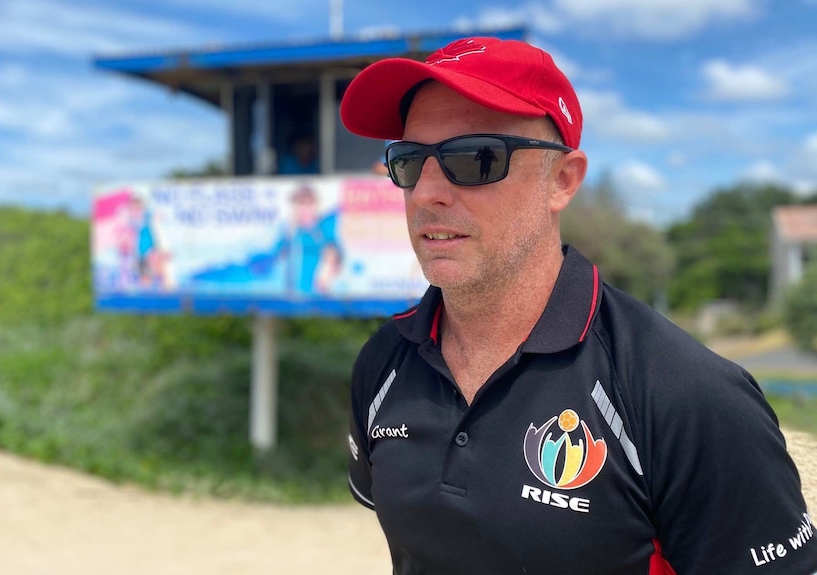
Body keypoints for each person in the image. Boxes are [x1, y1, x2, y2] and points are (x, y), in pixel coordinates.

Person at [339, 36, 817, 575]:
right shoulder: (383, 364)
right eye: (408, 161)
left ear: (562, 181)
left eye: (473, 159)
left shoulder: (685, 393)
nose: (426, 193)